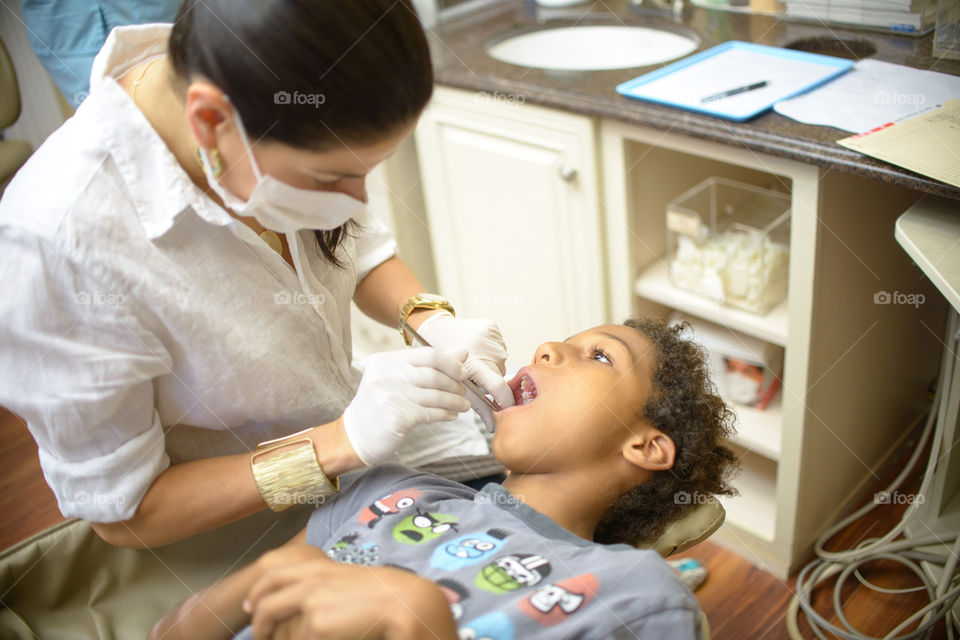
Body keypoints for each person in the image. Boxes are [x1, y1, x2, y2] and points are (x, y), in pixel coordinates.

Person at [0, 0, 514, 550]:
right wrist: (338, 443)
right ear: (210, 121)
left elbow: (361, 253)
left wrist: (429, 317)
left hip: (370, 474)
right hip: (236, 533)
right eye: (329, 179)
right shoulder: (58, 246)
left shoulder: (277, 103)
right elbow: (128, 513)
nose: (356, 201)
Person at [150, 318, 740, 640]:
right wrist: (260, 577)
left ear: (645, 446)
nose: (548, 347)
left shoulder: (633, 596)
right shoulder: (382, 489)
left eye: (600, 356)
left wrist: (424, 624)